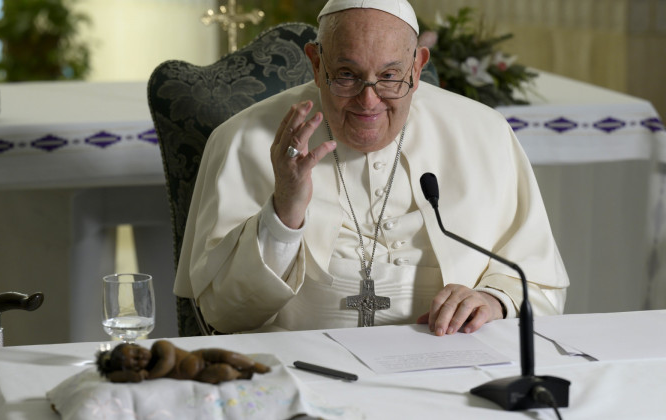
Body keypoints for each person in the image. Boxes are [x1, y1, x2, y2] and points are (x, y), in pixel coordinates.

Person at [173, 0, 569, 335]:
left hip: (451, 366)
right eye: (346, 76)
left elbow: (537, 279)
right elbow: (222, 314)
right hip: (300, 366)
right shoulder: (244, 138)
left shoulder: (485, 134)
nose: (369, 101)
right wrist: (283, 212)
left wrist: (492, 300)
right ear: (316, 63)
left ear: (417, 66)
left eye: (390, 77)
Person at [96, 340, 270, 384]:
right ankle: (240, 374)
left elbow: (168, 362)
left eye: (135, 352)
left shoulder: (159, 346)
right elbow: (112, 378)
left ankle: (253, 365)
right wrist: (130, 375)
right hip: (199, 375)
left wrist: (148, 375)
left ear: (135, 344)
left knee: (227, 356)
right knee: (223, 371)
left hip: (202, 356)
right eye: (134, 363)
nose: (140, 357)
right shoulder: (145, 372)